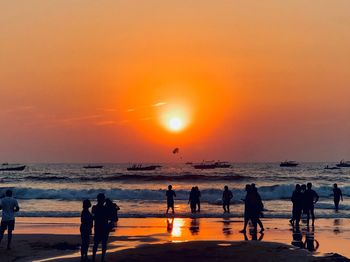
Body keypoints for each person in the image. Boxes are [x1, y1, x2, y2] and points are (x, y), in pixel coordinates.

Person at [92, 193, 110, 262]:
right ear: (103, 200)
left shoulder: (94, 208)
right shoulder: (106, 208)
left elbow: (93, 217)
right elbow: (111, 215)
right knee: (104, 244)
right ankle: (102, 259)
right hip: (104, 227)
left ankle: (93, 258)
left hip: (97, 227)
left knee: (96, 243)